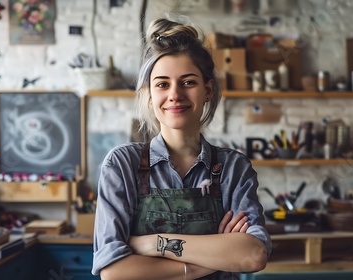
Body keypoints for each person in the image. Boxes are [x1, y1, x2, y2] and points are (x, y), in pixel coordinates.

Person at [92, 17, 271, 280]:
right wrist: (216, 257)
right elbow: (113, 272)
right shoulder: (122, 164)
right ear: (150, 95)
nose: (175, 94)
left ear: (207, 90)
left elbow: (253, 255)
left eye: (188, 82)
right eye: (163, 84)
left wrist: (154, 244)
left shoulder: (233, 168)